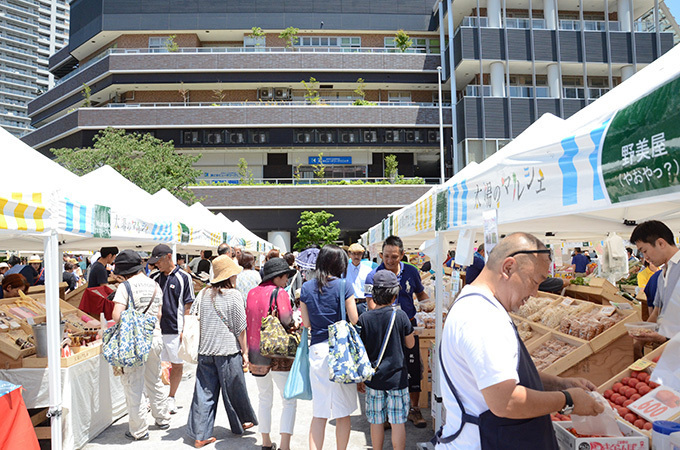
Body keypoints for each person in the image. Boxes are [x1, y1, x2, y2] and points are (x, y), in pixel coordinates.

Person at [436, 233, 603, 449]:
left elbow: (497, 377)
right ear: (508, 268)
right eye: (534, 282)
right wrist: (568, 400)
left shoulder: (479, 306)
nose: (535, 293)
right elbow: (506, 401)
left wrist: (558, 383)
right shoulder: (482, 317)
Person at [187, 255, 257, 448]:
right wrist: (245, 352)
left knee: (204, 392)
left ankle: (201, 435)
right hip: (227, 350)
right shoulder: (234, 295)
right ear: (229, 275)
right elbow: (240, 327)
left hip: (205, 350)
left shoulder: (202, 295)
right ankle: (242, 422)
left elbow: (193, 316)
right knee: (235, 388)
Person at [365, 235, 429, 428]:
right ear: (380, 255)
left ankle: (414, 409)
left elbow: (420, 293)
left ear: (402, 254)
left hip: (409, 326)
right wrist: (391, 316)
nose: (390, 261)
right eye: (386, 256)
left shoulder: (411, 271)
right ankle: (383, 413)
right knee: (384, 368)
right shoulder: (373, 275)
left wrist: (428, 304)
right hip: (384, 330)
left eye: (394, 256)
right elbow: (371, 305)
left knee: (413, 367)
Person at [299, 245, 359, 450]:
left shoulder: (306, 287)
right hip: (340, 351)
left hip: (317, 350)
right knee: (343, 413)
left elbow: (306, 323)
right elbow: (354, 318)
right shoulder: (345, 286)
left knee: (320, 411)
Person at [110, 250, 170, 441]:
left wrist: (133, 320)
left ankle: (139, 429)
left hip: (134, 342)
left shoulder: (124, 287)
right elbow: (159, 314)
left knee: (133, 384)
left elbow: (116, 316)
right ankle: (162, 417)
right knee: (155, 378)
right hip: (155, 336)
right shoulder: (155, 285)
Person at [358, 270, 415, 450]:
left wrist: (361, 379)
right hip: (397, 379)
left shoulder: (364, 318)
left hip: (374, 379)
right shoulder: (400, 316)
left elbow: (361, 351)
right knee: (398, 422)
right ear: (395, 294)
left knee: (376, 421)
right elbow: (411, 344)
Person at [246, 258, 298, 450]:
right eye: (285, 277)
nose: (286, 281)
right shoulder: (280, 293)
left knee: (264, 398)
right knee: (288, 400)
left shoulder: (251, 293)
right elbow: (286, 319)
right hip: (277, 352)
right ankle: (285, 446)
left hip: (255, 353)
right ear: (277, 277)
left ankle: (266, 442)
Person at [149, 244, 195, 414]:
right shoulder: (154, 278)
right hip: (157, 329)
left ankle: (171, 397)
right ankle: (156, 397)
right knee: (154, 364)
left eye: (158, 261)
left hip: (176, 329)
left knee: (177, 364)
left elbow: (188, 303)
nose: (157, 265)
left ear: (169, 257)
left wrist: (186, 327)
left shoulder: (184, 277)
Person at [630, 220, 680, 344]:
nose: (645, 258)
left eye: (645, 251)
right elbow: (657, 311)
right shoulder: (661, 275)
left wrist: (666, 338)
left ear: (661, 243)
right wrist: (641, 338)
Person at [344, 243, 373, 316]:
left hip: (363, 304)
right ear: (349, 254)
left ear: (362, 254)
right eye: (354, 254)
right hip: (348, 304)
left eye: (359, 254)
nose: (356, 256)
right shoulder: (343, 270)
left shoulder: (368, 270)